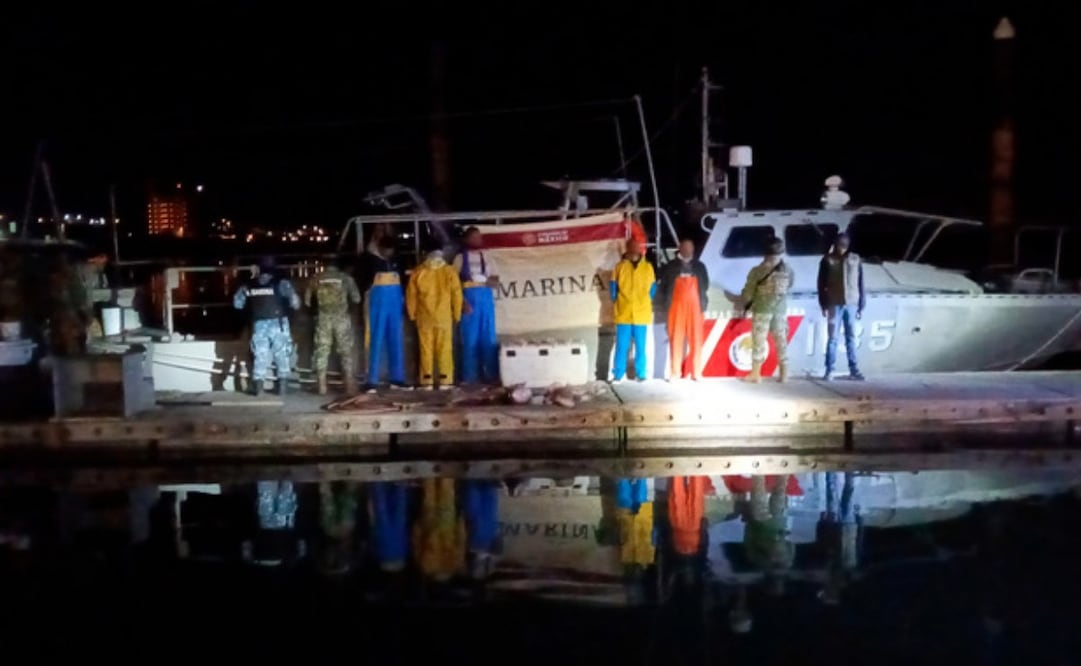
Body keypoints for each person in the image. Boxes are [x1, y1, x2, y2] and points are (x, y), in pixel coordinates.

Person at [233, 256, 300, 395]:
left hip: (258, 324)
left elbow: (237, 304)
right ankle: (282, 389)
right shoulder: (282, 283)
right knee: (282, 355)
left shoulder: (248, 285)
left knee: (260, 355)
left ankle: (258, 389)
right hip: (279, 323)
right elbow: (295, 303)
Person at [406, 245, 463, 390]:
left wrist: (412, 314)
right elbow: (457, 294)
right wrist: (457, 314)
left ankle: (427, 381)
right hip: (444, 318)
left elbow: (411, 295)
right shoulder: (449, 271)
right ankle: (445, 381)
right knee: (444, 349)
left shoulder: (418, 271)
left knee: (426, 350)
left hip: (424, 318)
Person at [357, 236, 409, 392]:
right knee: (374, 340)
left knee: (396, 340)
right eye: (387, 250)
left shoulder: (397, 260)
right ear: (380, 248)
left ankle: (397, 379)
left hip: (394, 304)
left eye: (391, 251)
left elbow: (404, 281)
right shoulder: (367, 260)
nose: (389, 253)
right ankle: (371, 380)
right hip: (376, 305)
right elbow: (361, 282)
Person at [739, 238, 794, 383]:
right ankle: (784, 374)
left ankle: (756, 374)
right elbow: (790, 285)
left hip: (762, 309)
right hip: (780, 310)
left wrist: (746, 303)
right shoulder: (788, 270)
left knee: (759, 341)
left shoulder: (757, 271)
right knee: (781, 340)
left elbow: (748, 292)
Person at [304, 257, 361, 395]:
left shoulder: (316, 278)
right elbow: (357, 298)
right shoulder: (345, 278)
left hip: (323, 319)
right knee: (346, 351)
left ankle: (322, 386)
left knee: (322, 351)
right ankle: (349, 385)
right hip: (341, 318)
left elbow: (307, 301)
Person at [657, 238, 709, 381]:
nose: (687, 250)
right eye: (685, 247)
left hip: (696, 307)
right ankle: (675, 372)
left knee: (697, 340)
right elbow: (663, 287)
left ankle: (697, 372)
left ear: (693, 249)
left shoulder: (700, 266)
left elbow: (706, 284)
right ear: (680, 248)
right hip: (676, 307)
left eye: (690, 248)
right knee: (676, 339)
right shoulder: (670, 266)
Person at [453, 227, 500, 385]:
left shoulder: (487, 257)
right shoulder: (459, 259)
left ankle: (491, 375)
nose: (478, 240)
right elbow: (453, 284)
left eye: (479, 237)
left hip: (486, 301)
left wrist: (485, 281)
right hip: (469, 301)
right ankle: (469, 377)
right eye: (474, 237)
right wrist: (462, 302)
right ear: (466, 239)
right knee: (469, 339)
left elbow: (496, 282)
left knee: (488, 338)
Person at [817, 232, 866, 381]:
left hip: (851, 303)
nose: (841, 246)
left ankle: (854, 369)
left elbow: (861, 283)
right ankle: (829, 370)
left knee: (851, 337)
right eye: (840, 243)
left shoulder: (856, 259)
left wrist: (861, 304)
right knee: (833, 338)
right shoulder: (827, 260)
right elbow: (821, 284)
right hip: (834, 303)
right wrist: (823, 304)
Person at [610, 241, 656, 383]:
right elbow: (613, 290)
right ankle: (618, 375)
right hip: (624, 313)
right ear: (627, 249)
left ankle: (641, 374)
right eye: (632, 247)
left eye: (637, 247)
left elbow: (653, 289)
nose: (635, 249)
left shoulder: (648, 268)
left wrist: (645, 301)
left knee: (641, 346)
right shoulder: (619, 267)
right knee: (621, 346)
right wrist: (620, 302)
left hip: (641, 313)